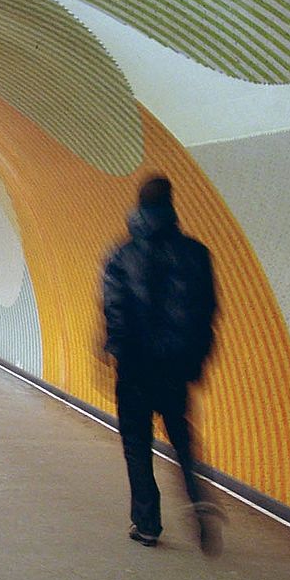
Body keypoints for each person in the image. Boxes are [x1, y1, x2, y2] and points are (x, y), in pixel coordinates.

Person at [102, 175, 226, 556]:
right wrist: (195, 360)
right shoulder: (196, 253)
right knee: (183, 441)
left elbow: (116, 312)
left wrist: (114, 352)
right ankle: (196, 494)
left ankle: (147, 524)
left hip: (136, 369)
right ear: (172, 205)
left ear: (138, 207)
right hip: (175, 368)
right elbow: (208, 310)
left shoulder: (121, 256)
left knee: (137, 446)